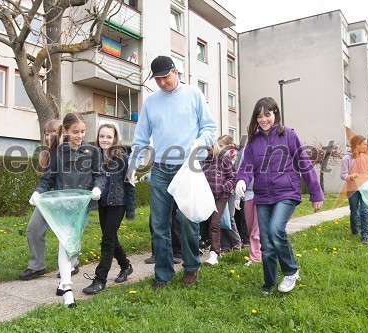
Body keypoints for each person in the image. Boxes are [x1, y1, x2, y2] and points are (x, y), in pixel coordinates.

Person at [128, 55, 217, 289]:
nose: (162, 83)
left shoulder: (193, 94)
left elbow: (209, 127)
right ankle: (163, 274)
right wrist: (132, 166)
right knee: (158, 224)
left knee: (187, 220)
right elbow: (140, 138)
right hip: (160, 169)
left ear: (175, 72)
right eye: (157, 79)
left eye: (165, 77)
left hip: (188, 167)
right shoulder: (151, 102)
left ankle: (190, 266)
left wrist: (200, 142)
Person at [235, 97, 323, 294]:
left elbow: (304, 164)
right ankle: (268, 282)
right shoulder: (253, 142)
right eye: (259, 116)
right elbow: (246, 167)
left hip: (287, 192)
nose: (263, 119)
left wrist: (316, 193)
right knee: (266, 241)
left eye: (267, 114)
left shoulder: (289, 135)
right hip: (263, 196)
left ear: (275, 114)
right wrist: (241, 180)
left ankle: (291, 271)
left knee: (275, 230)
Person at [29, 112, 106, 307]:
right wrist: (38, 192)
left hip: (81, 207)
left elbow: (100, 175)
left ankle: (64, 283)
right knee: (66, 242)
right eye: (75, 132)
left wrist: (98, 187)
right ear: (65, 131)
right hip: (62, 206)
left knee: (70, 244)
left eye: (82, 131)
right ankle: (67, 288)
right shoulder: (58, 152)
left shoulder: (93, 152)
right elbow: (47, 179)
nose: (79, 136)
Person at [19, 119, 79, 281]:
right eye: (46, 134)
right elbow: (46, 180)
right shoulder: (49, 154)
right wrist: (38, 193)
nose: (49, 136)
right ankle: (37, 266)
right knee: (34, 229)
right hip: (48, 199)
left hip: (66, 199)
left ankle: (71, 264)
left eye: (53, 132)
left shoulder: (73, 150)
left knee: (66, 235)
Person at [82, 124, 136, 295]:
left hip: (117, 204)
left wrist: (130, 210)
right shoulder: (94, 156)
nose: (105, 140)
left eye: (109, 137)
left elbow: (130, 184)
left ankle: (100, 279)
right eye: (102, 136)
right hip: (102, 205)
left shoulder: (123, 158)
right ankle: (126, 266)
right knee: (111, 238)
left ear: (114, 139)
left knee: (107, 241)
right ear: (98, 137)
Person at [203, 135, 238, 265]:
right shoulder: (203, 160)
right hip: (206, 197)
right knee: (204, 223)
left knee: (215, 224)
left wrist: (224, 188)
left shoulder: (224, 158)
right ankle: (208, 246)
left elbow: (232, 177)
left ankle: (214, 253)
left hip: (220, 197)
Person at [140, 173, 183, 265]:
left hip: (175, 191)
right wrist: (148, 175)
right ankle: (157, 253)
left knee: (174, 223)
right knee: (155, 223)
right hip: (159, 192)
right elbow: (158, 167)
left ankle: (177, 253)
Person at [340, 135, 368, 245]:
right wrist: (351, 177)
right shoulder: (346, 159)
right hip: (352, 189)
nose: (366, 146)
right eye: (364, 144)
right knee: (354, 212)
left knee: (365, 211)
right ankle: (355, 233)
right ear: (357, 145)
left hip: (365, 189)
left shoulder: (366, 157)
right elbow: (343, 175)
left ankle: (364, 236)